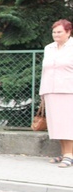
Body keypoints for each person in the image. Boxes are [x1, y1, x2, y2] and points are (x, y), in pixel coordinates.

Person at [39, 19, 73, 167]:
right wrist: (42, 92)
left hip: (68, 90)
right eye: (54, 32)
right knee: (57, 125)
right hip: (50, 90)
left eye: (59, 32)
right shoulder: (49, 48)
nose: (56, 35)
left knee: (68, 123)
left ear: (68, 32)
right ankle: (64, 153)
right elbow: (45, 70)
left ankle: (69, 155)